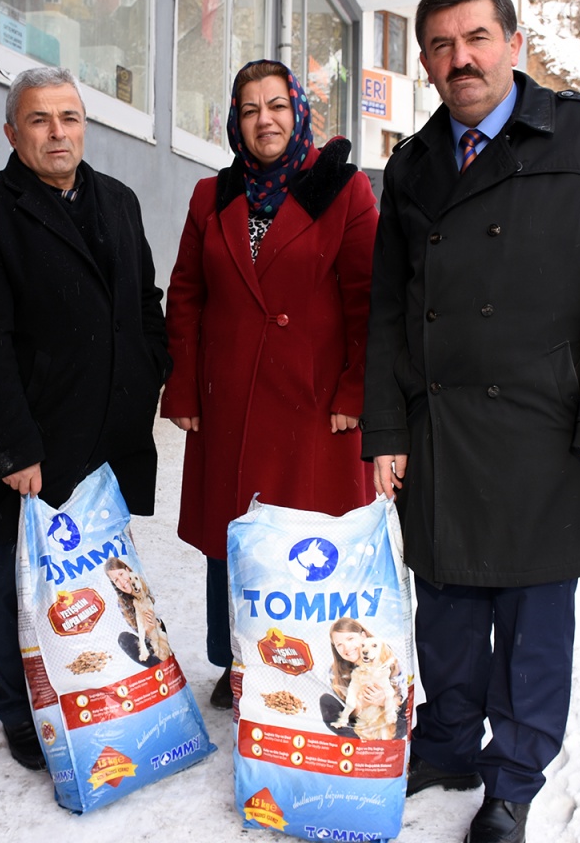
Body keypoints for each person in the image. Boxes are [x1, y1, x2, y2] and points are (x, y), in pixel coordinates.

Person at [361, 0, 580, 843]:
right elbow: (389, 305)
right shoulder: (416, 161)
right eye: (440, 45)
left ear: (513, 43)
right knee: (451, 611)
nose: (460, 59)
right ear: (424, 61)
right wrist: (386, 431)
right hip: (443, 431)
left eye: (476, 38)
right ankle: (452, 744)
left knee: (535, 623)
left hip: (552, 431)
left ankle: (513, 780)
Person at [0, 66, 170, 771]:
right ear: (13, 133)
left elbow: (143, 297)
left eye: (69, 118)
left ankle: (93, 677)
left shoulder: (119, 200)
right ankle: (18, 706)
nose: (57, 133)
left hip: (114, 427)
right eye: (40, 120)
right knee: (24, 576)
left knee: (102, 565)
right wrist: (13, 451)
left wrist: (150, 370)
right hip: (41, 439)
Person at [161, 59, 377, 709]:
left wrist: (354, 393)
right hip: (229, 402)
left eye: (277, 105)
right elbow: (188, 295)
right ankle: (239, 663)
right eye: (251, 108)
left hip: (315, 407)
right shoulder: (212, 195)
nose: (265, 120)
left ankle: (310, 669)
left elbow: (369, 298)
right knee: (235, 534)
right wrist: (184, 390)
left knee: (308, 544)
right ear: (235, 120)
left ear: (299, 111)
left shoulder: (344, 189)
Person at [320, 617, 407, 740]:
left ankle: (389, 737)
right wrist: (361, 704)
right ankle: (358, 737)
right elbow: (349, 708)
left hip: (390, 718)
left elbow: (402, 696)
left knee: (406, 704)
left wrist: (383, 700)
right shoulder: (334, 672)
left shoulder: (386, 656)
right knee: (326, 701)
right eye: (339, 645)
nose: (347, 647)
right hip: (360, 720)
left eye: (350, 638)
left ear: (363, 636)